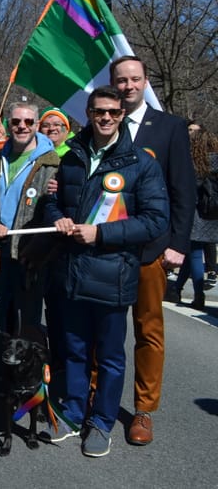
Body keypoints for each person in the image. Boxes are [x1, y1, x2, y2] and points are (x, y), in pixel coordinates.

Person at [39, 86, 168, 457]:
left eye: (113, 112)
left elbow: (155, 220)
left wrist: (102, 232)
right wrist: (58, 218)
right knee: (75, 351)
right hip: (73, 272)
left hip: (114, 275)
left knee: (110, 356)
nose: (106, 118)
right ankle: (75, 412)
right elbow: (53, 201)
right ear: (89, 114)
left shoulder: (141, 163)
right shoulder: (73, 157)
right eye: (99, 112)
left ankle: (102, 422)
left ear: (121, 115)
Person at [111, 56, 195, 446]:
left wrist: (178, 244)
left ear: (145, 82)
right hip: (108, 247)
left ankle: (143, 409)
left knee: (148, 331)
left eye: (134, 80)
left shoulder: (170, 127)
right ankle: (100, 399)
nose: (128, 86)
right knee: (105, 330)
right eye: (121, 80)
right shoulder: (101, 124)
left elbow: (184, 190)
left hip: (151, 249)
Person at [0, 102, 59, 334]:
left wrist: (38, 251)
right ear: (8, 124)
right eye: (16, 121)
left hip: (28, 253)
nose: (22, 126)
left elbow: (54, 209)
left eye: (29, 122)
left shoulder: (52, 163)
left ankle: (28, 370)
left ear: (37, 125)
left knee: (26, 323)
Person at [174, 128, 218, 310]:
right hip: (213, 214)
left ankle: (198, 293)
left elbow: (190, 191)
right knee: (190, 254)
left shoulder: (196, 164)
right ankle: (177, 288)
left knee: (193, 253)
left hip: (196, 213)